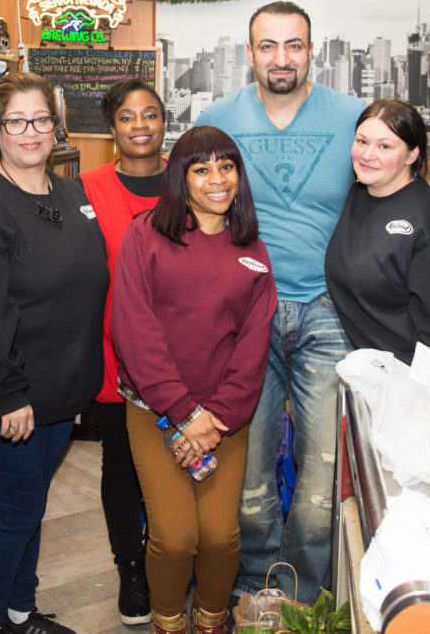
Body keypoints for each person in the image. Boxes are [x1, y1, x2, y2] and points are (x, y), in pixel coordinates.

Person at [195, 0, 430, 604]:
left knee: (323, 473)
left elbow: (418, 174)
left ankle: (307, 596)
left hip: (330, 313)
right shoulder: (217, 118)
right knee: (249, 473)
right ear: (250, 53)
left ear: (311, 50)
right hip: (246, 314)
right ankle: (258, 586)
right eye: (267, 46)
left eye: (293, 45)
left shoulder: (352, 115)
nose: (281, 58)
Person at [0, 72, 109, 634]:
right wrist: (10, 393)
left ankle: (21, 609)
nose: (31, 132)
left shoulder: (69, 192)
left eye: (41, 119)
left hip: (61, 389)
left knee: (32, 503)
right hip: (8, 396)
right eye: (16, 121)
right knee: (21, 508)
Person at [112, 125, 276, 634]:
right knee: (176, 536)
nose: (216, 179)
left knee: (223, 537)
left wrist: (215, 418)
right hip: (155, 412)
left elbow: (252, 347)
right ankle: (167, 623)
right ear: (180, 178)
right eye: (200, 169)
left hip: (225, 419)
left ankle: (209, 622)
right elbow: (134, 331)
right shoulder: (146, 236)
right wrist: (184, 414)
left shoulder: (253, 251)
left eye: (226, 167)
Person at [76, 77, 167, 626]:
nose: (140, 126)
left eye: (150, 114)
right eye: (128, 117)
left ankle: (166, 557)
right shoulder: (84, 188)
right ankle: (131, 569)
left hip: (181, 354)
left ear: (164, 123)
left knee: (178, 464)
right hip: (113, 353)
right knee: (123, 466)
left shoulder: (191, 182)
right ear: (112, 129)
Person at [326, 100, 430, 363]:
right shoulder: (360, 194)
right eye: (362, 141)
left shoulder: (429, 219)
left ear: (412, 155)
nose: (368, 154)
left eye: (385, 146)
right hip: (386, 369)